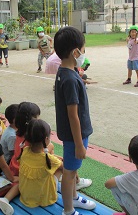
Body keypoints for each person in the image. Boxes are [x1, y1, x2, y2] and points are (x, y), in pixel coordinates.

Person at [54, 26, 96, 215]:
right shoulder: (69, 79)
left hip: (72, 134)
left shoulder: (64, 71)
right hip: (74, 136)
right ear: (75, 52)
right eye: (83, 50)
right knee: (69, 174)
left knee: (72, 170)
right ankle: (68, 210)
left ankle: (73, 198)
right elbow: (73, 115)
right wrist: (79, 144)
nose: (84, 54)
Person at [19, 118, 63, 207]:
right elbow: (64, 167)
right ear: (46, 139)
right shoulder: (49, 159)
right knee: (61, 169)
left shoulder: (25, 151)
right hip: (44, 199)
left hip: (25, 197)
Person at [9, 102, 41, 176]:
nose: (38, 120)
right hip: (23, 171)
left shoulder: (19, 132)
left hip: (14, 166)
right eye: (37, 117)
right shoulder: (33, 138)